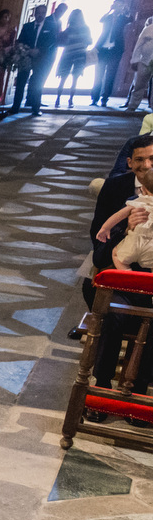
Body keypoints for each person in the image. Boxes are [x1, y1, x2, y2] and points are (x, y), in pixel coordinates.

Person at [86, 134, 153, 412]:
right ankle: (101, 388)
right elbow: (98, 248)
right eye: (140, 159)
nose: (147, 164)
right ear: (129, 162)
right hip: (115, 276)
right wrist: (125, 230)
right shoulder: (116, 188)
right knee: (113, 315)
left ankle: (139, 393)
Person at [3, 4, 59, 117]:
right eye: (38, 13)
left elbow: (52, 42)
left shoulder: (52, 26)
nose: (40, 15)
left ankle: (35, 108)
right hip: (26, 58)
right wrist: (26, 50)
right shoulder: (27, 26)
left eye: (43, 13)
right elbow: (21, 40)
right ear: (34, 13)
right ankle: (15, 107)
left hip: (41, 59)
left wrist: (39, 51)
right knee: (21, 82)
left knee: (37, 83)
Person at [93, 0, 134, 107]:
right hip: (103, 49)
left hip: (115, 50)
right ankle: (94, 98)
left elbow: (131, 19)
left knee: (110, 75)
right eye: (116, 5)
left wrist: (126, 10)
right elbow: (100, 20)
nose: (118, 7)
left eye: (120, 5)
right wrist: (110, 10)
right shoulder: (109, 17)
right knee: (98, 74)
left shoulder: (122, 18)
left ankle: (105, 98)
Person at [52, 9, 92, 108]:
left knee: (75, 78)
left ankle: (71, 99)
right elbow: (61, 41)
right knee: (63, 77)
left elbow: (90, 41)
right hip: (69, 55)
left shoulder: (85, 28)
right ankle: (58, 98)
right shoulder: (69, 29)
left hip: (79, 55)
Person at [123, 17, 153, 112]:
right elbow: (139, 44)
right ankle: (132, 105)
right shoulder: (149, 29)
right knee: (139, 84)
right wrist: (135, 59)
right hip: (146, 59)